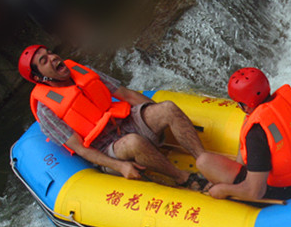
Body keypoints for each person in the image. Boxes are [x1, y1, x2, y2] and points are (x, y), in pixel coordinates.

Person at [18, 45, 210, 189]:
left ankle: (206, 163)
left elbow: (126, 95)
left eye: (50, 53)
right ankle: (182, 177)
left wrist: (163, 116)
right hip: (105, 147)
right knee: (133, 142)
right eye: (44, 61)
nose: (52, 58)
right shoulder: (47, 110)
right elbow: (80, 149)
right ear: (39, 78)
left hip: (124, 121)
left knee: (167, 108)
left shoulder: (82, 71)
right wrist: (120, 166)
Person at [201, 67, 291, 201]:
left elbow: (254, 192)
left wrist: (223, 190)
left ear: (245, 106)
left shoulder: (256, 132)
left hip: (288, 191)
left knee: (204, 162)